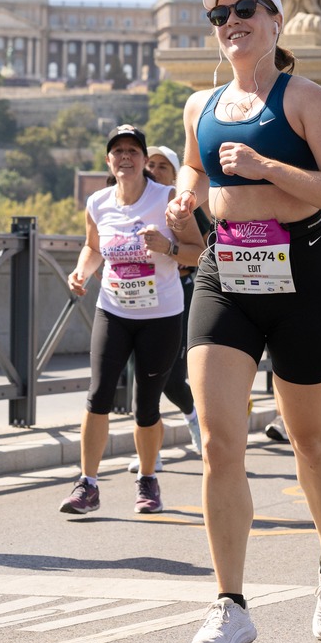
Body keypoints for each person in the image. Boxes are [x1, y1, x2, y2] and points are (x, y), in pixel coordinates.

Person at [170, 0, 321, 643]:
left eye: (244, 9)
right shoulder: (201, 104)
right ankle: (230, 604)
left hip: (302, 275)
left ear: (276, 23)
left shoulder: (308, 100)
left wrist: (266, 166)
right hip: (226, 274)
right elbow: (194, 171)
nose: (231, 21)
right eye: (219, 14)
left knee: (312, 438)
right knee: (220, 440)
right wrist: (181, 199)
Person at [61, 124, 200, 517]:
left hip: (160, 315)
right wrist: (81, 271)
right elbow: (92, 246)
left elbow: (198, 251)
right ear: (109, 160)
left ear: (144, 161)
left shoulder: (167, 198)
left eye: (133, 151)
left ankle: (148, 479)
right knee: (98, 394)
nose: (125, 157)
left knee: (146, 406)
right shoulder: (98, 203)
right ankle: (87, 484)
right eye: (117, 151)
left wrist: (169, 247)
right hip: (114, 309)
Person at [144, 145, 206, 456]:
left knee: (170, 380)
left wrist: (173, 251)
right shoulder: (134, 203)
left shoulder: (186, 206)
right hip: (138, 301)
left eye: (162, 167)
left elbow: (206, 250)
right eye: (149, 164)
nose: (153, 171)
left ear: (175, 177)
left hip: (180, 296)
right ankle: (148, 457)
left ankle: (194, 417)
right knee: (142, 379)